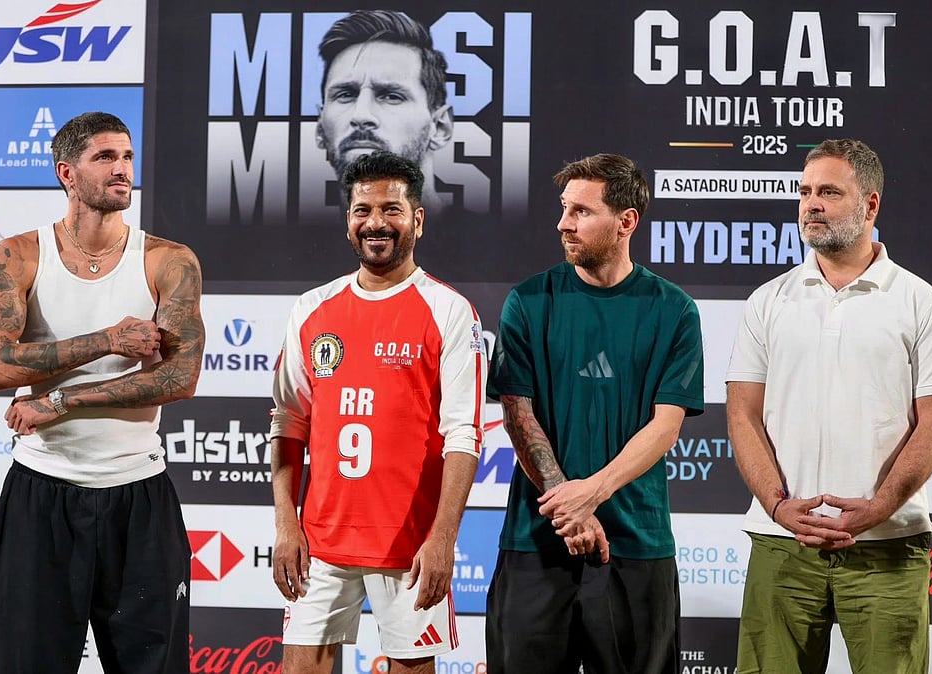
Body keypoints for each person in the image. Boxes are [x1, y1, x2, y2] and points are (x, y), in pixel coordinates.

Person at [0, 111, 204, 672]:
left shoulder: (168, 261)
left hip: (138, 497)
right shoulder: (19, 255)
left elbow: (179, 377)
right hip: (42, 496)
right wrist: (107, 339)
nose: (122, 169)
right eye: (105, 157)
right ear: (66, 173)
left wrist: (60, 401)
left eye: (127, 157)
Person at [726, 138, 932, 673]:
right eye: (805, 191)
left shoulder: (920, 302)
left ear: (870, 205)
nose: (811, 204)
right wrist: (779, 507)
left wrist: (877, 509)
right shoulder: (769, 300)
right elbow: (742, 414)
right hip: (783, 543)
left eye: (829, 192)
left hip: (887, 546)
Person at [485, 153, 703, 673]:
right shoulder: (529, 301)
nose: (564, 223)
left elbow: (666, 425)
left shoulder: (673, 310)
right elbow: (518, 415)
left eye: (581, 211)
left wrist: (592, 493)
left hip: (637, 542)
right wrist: (571, 512)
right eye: (564, 209)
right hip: (536, 541)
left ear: (626, 221)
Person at [270, 150, 485, 674]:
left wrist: (442, 540)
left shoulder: (449, 311)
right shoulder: (312, 308)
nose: (376, 222)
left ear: (417, 219)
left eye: (391, 210)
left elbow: (464, 435)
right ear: (348, 221)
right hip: (320, 541)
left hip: (410, 544)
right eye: (362, 210)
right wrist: (286, 524)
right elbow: (287, 422)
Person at [316, 10, 453, 213]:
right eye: (345, 94)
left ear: (440, 128)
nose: (360, 115)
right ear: (320, 129)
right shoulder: (287, 241)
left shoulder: (495, 240)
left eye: (391, 96)